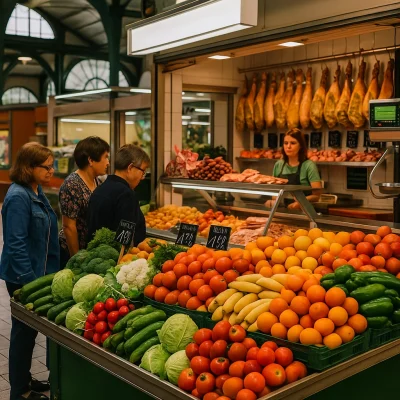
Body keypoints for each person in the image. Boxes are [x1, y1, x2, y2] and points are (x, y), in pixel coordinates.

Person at [0, 143, 60, 400]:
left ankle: (24, 379)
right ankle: (19, 391)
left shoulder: (36, 191)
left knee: (28, 332)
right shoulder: (17, 197)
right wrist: (29, 284)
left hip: (39, 273)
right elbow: (15, 244)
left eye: (51, 165)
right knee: (23, 334)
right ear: (29, 167)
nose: (51, 170)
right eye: (46, 166)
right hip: (23, 278)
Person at [58, 137, 110, 267]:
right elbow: (68, 226)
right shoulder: (72, 185)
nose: (108, 162)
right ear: (91, 160)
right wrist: (76, 258)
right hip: (72, 254)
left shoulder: (96, 180)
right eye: (105, 157)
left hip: (87, 252)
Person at [86, 144, 150, 246]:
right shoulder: (126, 194)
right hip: (117, 259)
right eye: (143, 171)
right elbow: (125, 240)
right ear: (130, 168)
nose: (142, 177)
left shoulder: (100, 189)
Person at [266, 128, 322, 210]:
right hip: (282, 212)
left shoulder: (309, 166)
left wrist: (300, 202)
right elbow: (275, 192)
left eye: (293, 143)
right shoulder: (279, 165)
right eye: (286, 143)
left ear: (300, 146)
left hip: (304, 212)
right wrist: (273, 202)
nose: (288, 146)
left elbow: (317, 196)